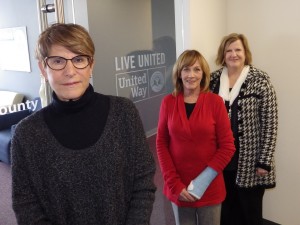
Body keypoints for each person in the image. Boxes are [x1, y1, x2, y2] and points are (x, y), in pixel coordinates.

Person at [11, 23, 156, 225]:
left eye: (79, 59)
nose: (70, 71)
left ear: (91, 65)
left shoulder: (124, 113)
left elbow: (143, 182)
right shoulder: (26, 134)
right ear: (43, 69)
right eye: (58, 61)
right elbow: (26, 207)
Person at [156, 49, 236, 225]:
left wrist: (202, 182)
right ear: (179, 73)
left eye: (196, 69)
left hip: (210, 186)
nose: (191, 75)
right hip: (179, 187)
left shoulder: (215, 103)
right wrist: (174, 183)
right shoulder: (168, 102)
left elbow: (228, 146)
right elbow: (161, 144)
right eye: (186, 69)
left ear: (204, 74)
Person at [210, 33, 278, 225]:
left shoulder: (260, 80)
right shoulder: (212, 81)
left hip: (249, 160)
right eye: (228, 50)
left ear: (245, 52)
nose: (233, 54)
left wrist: (264, 161)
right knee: (225, 211)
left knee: (250, 212)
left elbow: (270, 123)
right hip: (221, 159)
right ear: (223, 54)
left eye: (238, 49)